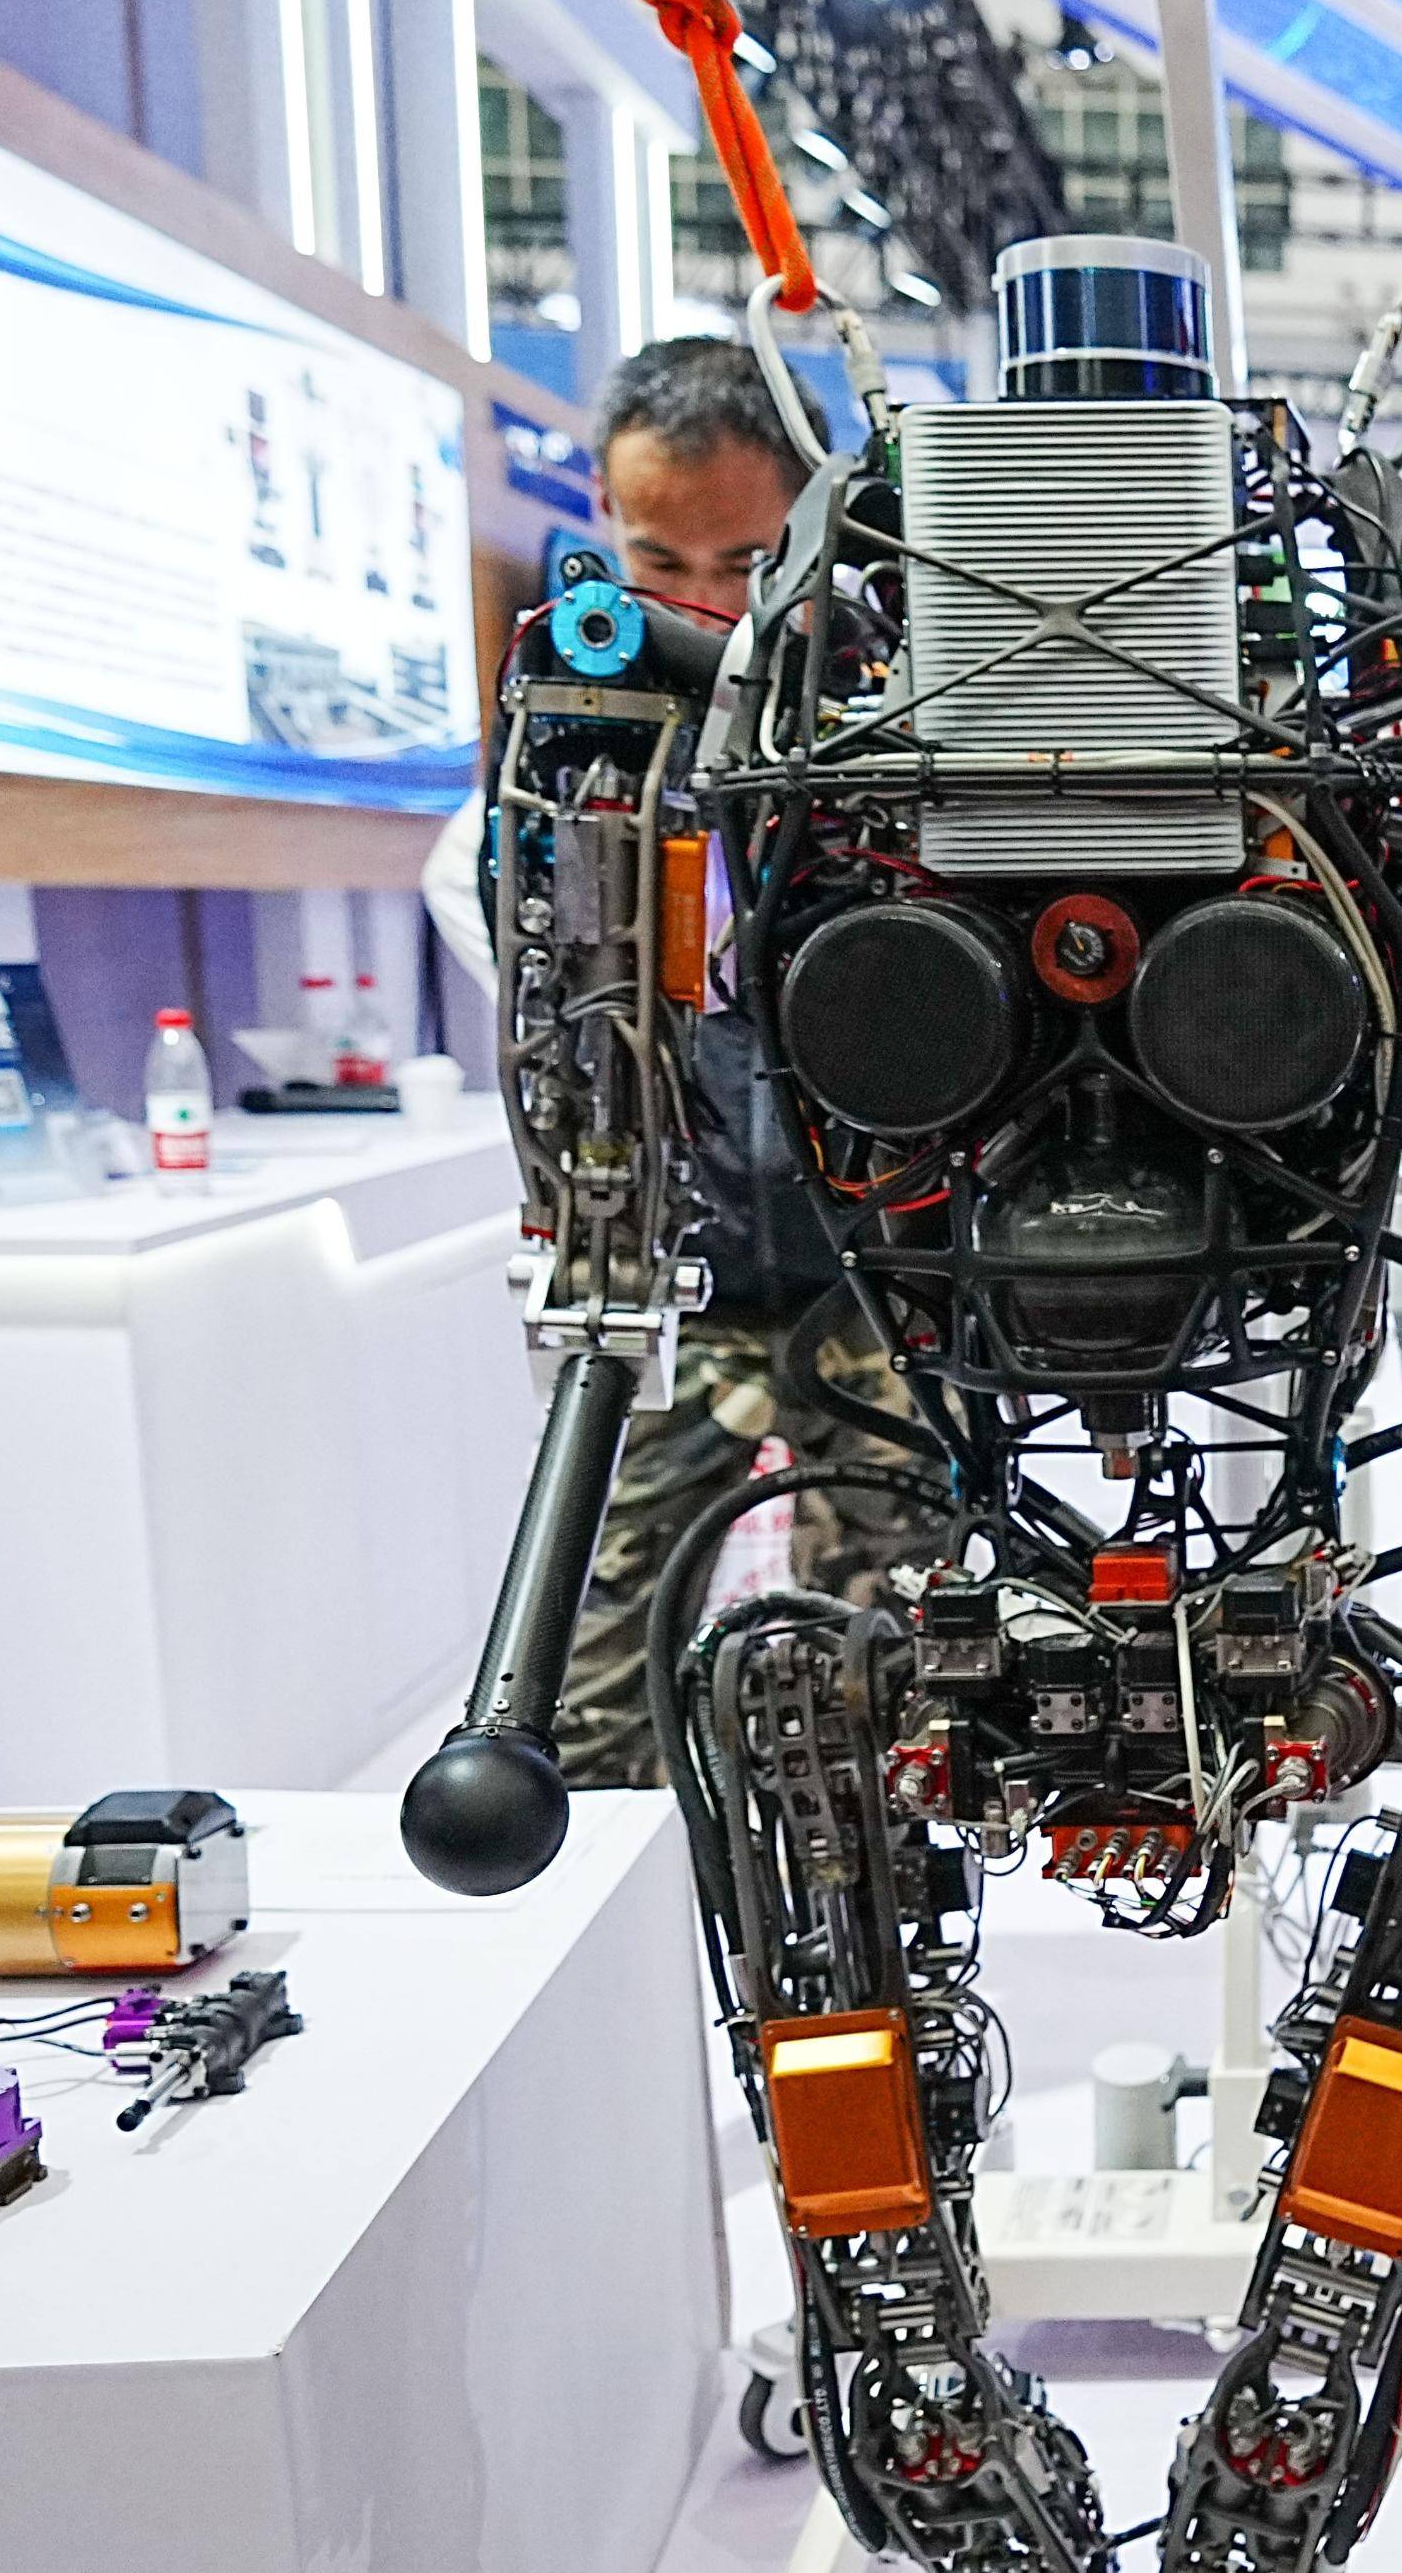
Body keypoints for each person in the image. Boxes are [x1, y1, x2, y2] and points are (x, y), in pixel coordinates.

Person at [421, 336, 938, 1789]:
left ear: (819, 529)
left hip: (883, 1279)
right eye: (658, 555)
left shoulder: (899, 728)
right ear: (600, 512)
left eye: (742, 561)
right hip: (684, 1278)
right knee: (589, 1713)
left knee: (903, 1706)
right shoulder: (569, 745)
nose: (701, 605)